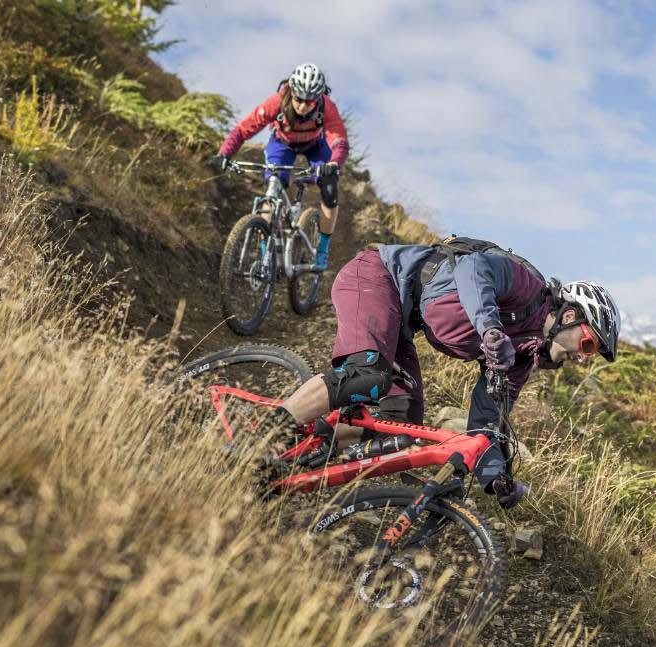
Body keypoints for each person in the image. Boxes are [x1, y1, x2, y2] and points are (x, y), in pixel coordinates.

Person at [264, 238, 621, 507]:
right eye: (589, 345)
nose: (585, 358)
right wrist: (490, 329)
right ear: (570, 317)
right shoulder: (527, 287)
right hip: (377, 276)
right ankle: (265, 432)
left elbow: (485, 423)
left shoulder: (520, 360)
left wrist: (495, 477)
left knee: (402, 420)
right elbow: (472, 269)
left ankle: (300, 445)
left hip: (404, 321)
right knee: (368, 375)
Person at [212, 63, 348, 269]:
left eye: (309, 101)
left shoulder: (327, 108)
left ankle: (322, 250)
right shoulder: (276, 102)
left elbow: (339, 141)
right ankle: (266, 248)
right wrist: (224, 153)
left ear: (318, 97)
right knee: (272, 188)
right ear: (291, 92)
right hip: (282, 144)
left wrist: (333, 164)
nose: (302, 106)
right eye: (298, 99)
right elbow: (243, 130)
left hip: (314, 146)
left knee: (329, 188)